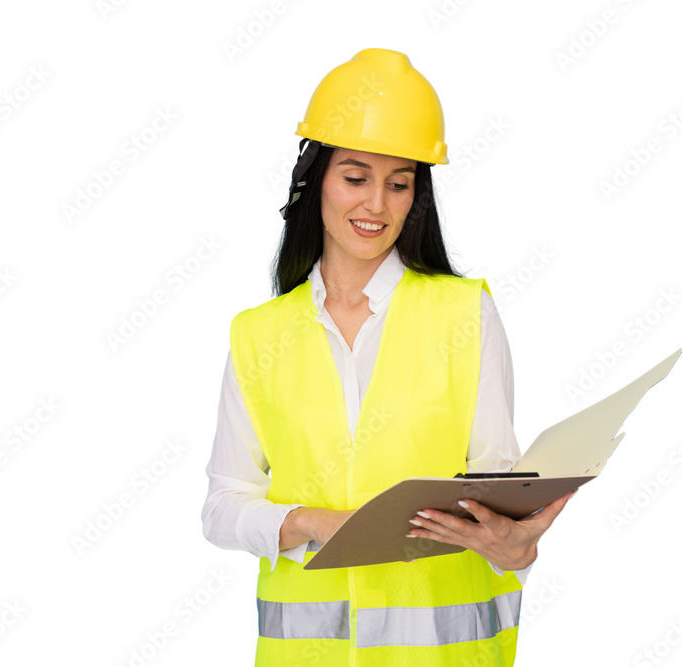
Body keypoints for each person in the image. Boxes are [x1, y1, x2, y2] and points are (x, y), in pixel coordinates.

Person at [201, 48, 575, 666]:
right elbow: (221, 508)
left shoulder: (464, 314)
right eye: (356, 177)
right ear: (313, 178)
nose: (377, 204)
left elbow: (495, 493)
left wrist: (517, 549)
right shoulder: (259, 336)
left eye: (399, 183)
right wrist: (308, 523)